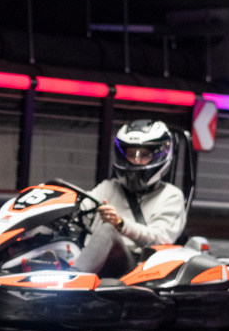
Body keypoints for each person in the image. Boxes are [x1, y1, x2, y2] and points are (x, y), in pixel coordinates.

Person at [74, 118, 188, 276]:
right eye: (131, 155)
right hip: (90, 257)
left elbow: (161, 239)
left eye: (144, 155)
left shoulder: (171, 195)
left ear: (158, 156)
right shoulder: (109, 187)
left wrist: (120, 224)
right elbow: (82, 207)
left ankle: (72, 277)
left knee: (107, 229)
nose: (136, 161)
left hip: (137, 267)